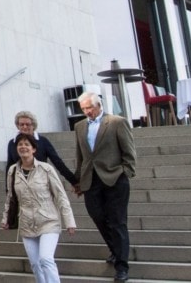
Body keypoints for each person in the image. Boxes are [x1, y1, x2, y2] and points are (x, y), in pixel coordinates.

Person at [73, 91, 136, 282]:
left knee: (117, 221)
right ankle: (116, 249)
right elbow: (81, 156)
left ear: (99, 105)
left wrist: (126, 171)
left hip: (115, 177)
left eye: (89, 108)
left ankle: (122, 266)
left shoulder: (116, 122)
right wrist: (78, 180)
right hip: (91, 180)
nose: (87, 112)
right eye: (83, 109)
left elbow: (128, 150)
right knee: (97, 216)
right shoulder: (79, 126)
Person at [1, 132, 76, 283]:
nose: (23, 147)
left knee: (46, 259)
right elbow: (10, 197)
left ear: (34, 149)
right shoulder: (12, 171)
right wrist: (5, 217)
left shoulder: (46, 169)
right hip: (27, 223)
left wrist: (69, 221)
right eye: (20, 145)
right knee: (35, 264)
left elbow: (61, 196)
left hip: (48, 221)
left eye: (26, 144)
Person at [6, 111, 77, 187]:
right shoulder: (12, 143)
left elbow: (57, 162)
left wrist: (74, 181)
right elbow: (9, 166)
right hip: (20, 185)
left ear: (33, 125)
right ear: (18, 126)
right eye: (21, 124)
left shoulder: (43, 141)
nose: (24, 127)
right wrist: (8, 189)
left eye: (27, 124)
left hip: (41, 184)